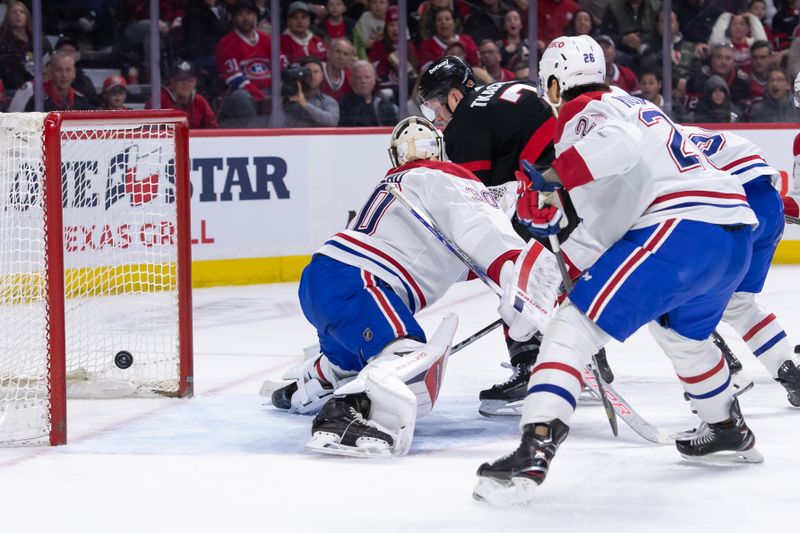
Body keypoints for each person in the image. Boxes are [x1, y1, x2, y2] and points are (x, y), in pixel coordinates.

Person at [474, 35, 761, 506]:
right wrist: (565, 245)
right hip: (729, 232)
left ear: (552, 83)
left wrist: (552, 179)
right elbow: (609, 217)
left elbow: (617, 147)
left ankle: (535, 445)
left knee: (571, 328)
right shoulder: (636, 104)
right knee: (684, 339)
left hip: (680, 228)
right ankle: (726, 426)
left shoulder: (587, 112)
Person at [271, 116, 559, 457]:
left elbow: (445, 260)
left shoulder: (402, 186)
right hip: (360, 280)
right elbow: (482, 227)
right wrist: (520, 283)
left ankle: (308, 385)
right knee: (406, 356)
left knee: (352, 360)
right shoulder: (446, 177)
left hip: (329, 278)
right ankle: (340, 417)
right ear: (440, 151)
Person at [418, 55, 571, 417]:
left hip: (547, 187)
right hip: (573, 176)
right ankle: (588, 357)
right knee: (555, 273)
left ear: (455, 97)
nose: (435, 119)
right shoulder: (492, 97)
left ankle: (529, 364)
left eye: (434, 108)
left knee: (509, 266)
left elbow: (474, 201)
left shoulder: (465, 122)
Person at [682, 125, 800, 407]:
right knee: (739, 303)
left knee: (678, 297)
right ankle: (789, 372)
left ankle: (724, 373)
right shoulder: (685, 131)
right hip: (769, 205)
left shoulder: (643, 144)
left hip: (732, 208)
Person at [215, 0, 274, 127]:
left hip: (269, 90)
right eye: (240, 14)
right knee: (241, 97)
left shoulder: (267, 40)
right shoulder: (226, 44)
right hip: (241, 93)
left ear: (255, 16)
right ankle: (254, 138)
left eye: (248, 13)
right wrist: (262, 97)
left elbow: (281, 68)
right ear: (233, 18)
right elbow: (236, 81)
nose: (245, 18)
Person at [0, 0, 53, 91]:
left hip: (42, 84)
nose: (18, 14)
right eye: (14, 12)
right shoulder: (3, 42)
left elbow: (51, 58)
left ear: (27, 16)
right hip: (15, 88)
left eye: (22, 12)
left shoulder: (39, 38)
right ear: (7, 17)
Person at [148, 60, 218, 129]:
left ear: (195, 82)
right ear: (172, 82)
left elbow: (213, 128)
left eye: (190, 79)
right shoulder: (157, 102)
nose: (185, 83)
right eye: (180, 79)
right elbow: (148, 131)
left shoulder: (200, 101)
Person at [24, 52, 95, 112]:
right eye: (59, 70)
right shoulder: (37, 102)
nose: (64, 75)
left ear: (74, 73)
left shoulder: (81, 101)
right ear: (51, 73)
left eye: (68, 70)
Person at [283, 56, 340, 127]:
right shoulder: (289, 98)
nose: (312, 76)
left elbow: (332, 121)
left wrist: (305, 105)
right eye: (308, 72)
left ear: (322, 76)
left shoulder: (327, 101)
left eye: (316, 72)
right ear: (300, 75)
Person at [338, 60, 397, 126]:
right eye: (358, 78)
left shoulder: (384, 104)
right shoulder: (344, 104)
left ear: (374, 80)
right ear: (351, 80)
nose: (363, 81)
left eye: (367, 77)